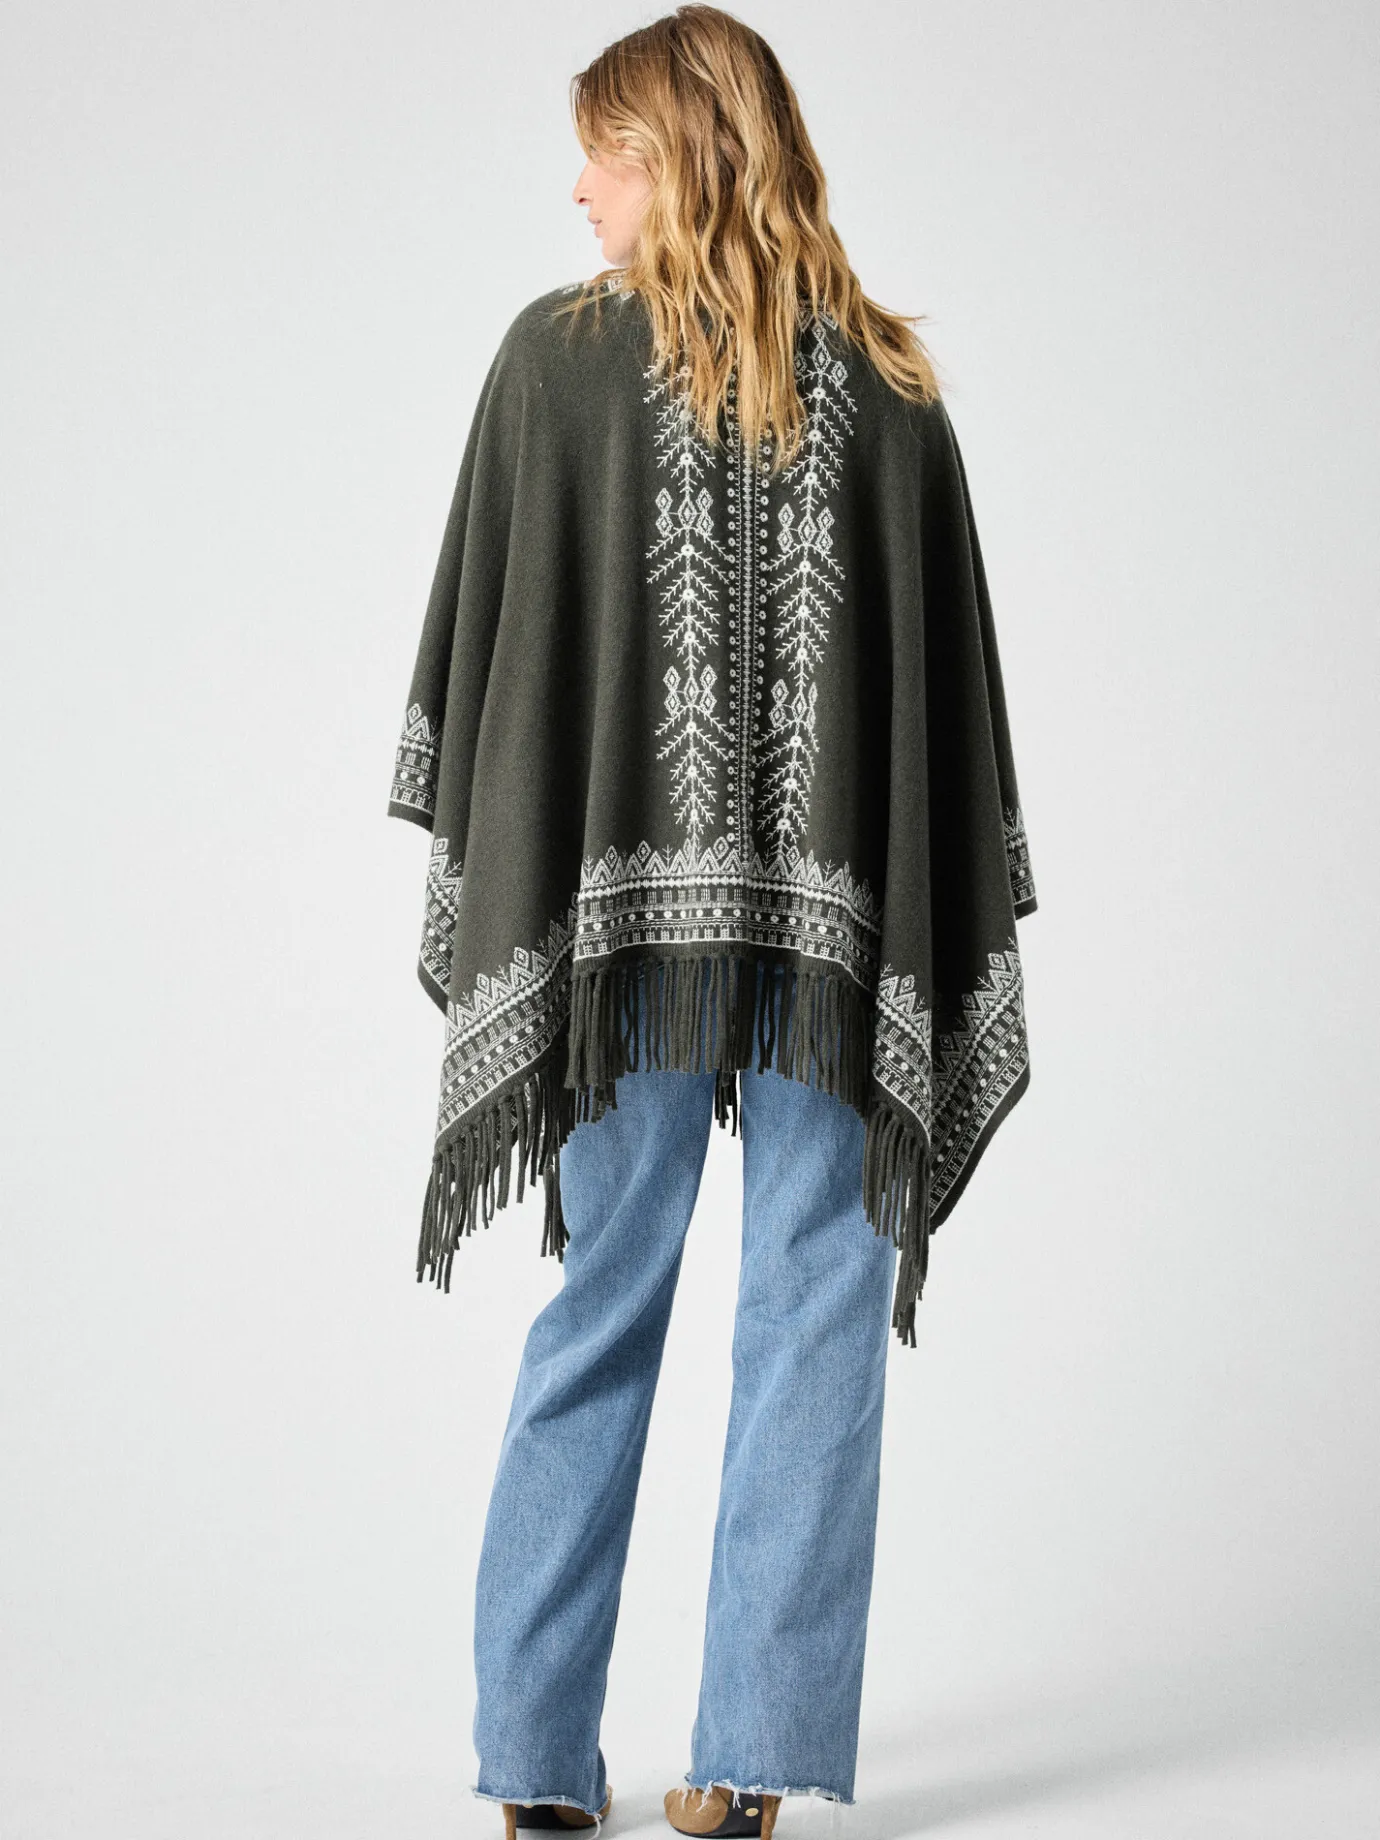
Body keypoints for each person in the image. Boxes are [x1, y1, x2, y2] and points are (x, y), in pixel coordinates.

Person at [385, 8, 1038, 1836]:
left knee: (624, 1298)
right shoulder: (884, 387)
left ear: (679, 155)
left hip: (631, 940)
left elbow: (496, 674)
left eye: (604, 147)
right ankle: (742, 1761)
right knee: (811, 1300)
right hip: (821, 936)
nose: (577, 186)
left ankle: (541, 1773)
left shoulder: (571, 361)